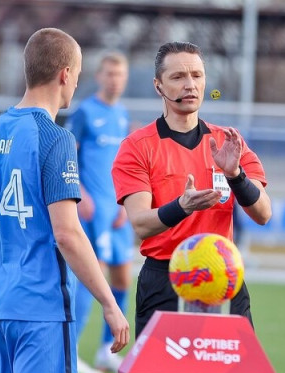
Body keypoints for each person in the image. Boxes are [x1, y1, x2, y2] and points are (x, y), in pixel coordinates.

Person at [0, 28, 129, 373]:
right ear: (66, 74)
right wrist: (110, 303)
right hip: (41, 311)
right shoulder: (55, 138)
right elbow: (67, 233)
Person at [111, 41, 272, 338]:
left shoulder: (229, 141)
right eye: (178, 77)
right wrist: (182, 206)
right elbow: (141, 224)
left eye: (197, 76)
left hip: (223, 278)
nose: (190, 85)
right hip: (164, 280)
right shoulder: (136, 147)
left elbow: (263, 213)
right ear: (158, 85)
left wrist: (235, 175)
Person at [64, 52, 134, 373]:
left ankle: (107, 349)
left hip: (118, 211)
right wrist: (80, 193)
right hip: (93, 213)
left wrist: (126, 201)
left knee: (122, 276)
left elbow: (125, 165)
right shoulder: (84, 113)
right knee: (95, 276)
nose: (115, 80)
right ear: (99, 76)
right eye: (109, 74)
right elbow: (65, 156)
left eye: (120, 75)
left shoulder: (122, 114)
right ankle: (71, 350)